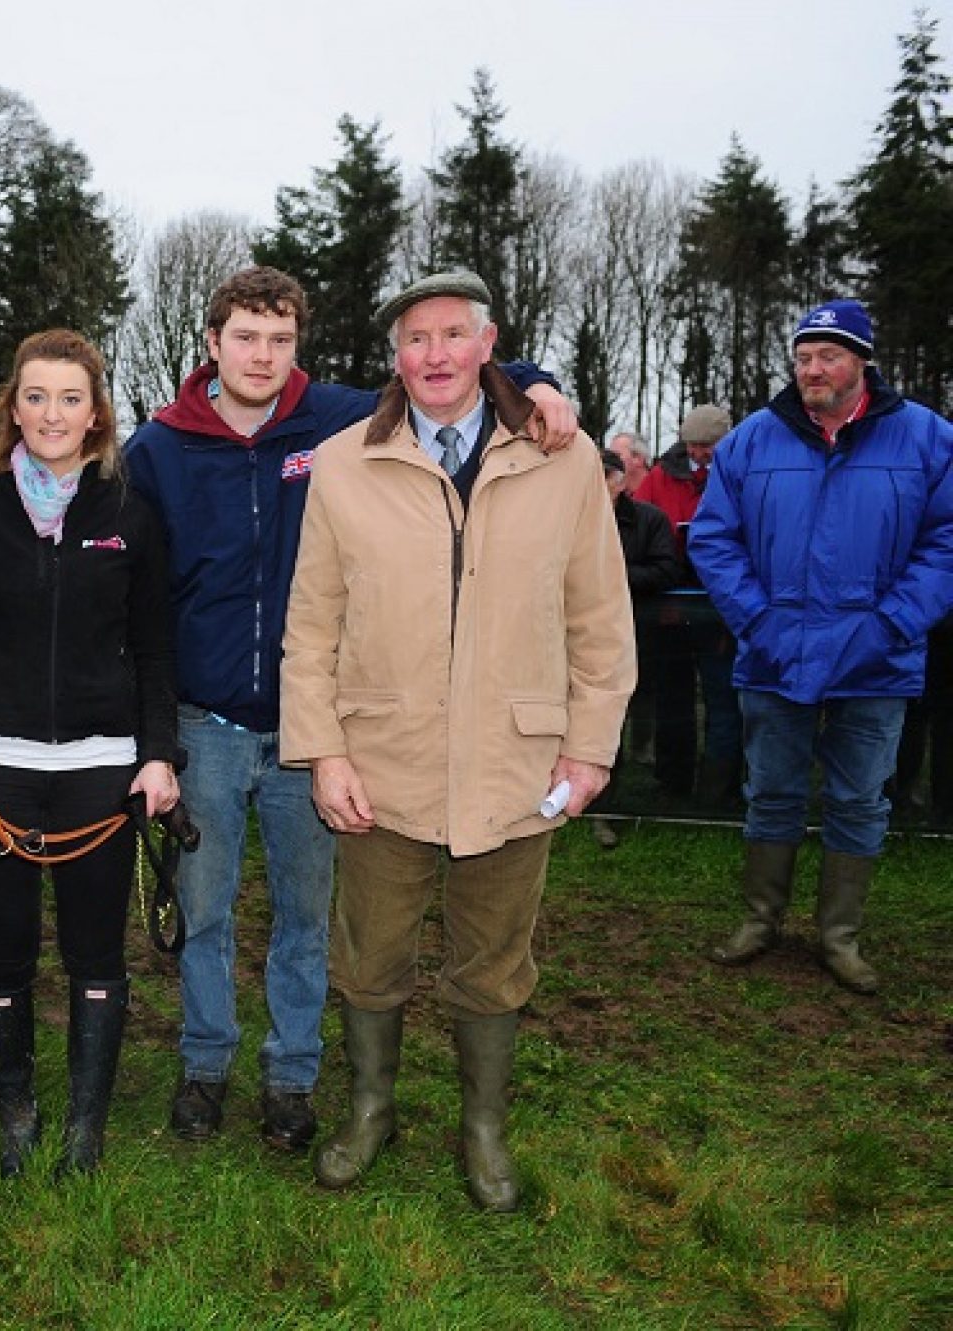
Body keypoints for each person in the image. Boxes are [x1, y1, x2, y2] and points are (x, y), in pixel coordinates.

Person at [123, 266, 576, 1153]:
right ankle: (205, 1064)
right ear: (211, 343)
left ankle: (293, 1075)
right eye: (245, 337)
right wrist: (156, 733)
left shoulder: (337, 421)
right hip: (205, 723)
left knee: (308, 915)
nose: (263, 355)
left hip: (316, 726)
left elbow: (446, 369)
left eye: (281, 339)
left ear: (301, 345)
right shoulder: (158, 449)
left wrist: (535, 380)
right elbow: (141, 598)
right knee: (206, 909)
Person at [280, 271, 634, 1212]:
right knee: (371, 954)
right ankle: (370, 1109)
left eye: (451, 335)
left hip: (519, 765)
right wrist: (325, 751)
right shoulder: (344, 462)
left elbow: (600, 620)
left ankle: (484, 1129)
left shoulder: (562, 459)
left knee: (493, 959)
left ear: (489, 345)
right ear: (393, 357)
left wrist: (590, 748)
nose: (434, 355)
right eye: (414, 340)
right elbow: (310, 626)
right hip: (380, 763)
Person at [0, 328, 179, 1180]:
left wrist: (159, 755)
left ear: (95, 412)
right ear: (12, 410)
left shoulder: (130, 515)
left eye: (70, 397)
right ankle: (17, 1111)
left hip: (102, 765)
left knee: (96, 952)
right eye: (36, 397)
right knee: (7, 948)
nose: (52, 413)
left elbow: (155, 647)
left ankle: (84, 1130)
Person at [691, 299, 953, 994]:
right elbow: (713, 539)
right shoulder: (751, 441)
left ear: (863, 361)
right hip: (775, 656)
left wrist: (893, 623)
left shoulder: (927, 438)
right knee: (771, 790)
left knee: (861, 797)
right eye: (803, 355)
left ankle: (839, 936)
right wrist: (759, 621)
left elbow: (947, 542)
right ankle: (760, 920)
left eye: (828, 355)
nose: (812, 368)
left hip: (878, 660)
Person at [636, 404, 742, 800]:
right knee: (673, 700)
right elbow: (642, 520)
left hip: (721, 610)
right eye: (693, 445)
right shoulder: (661, 477)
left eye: (707, 446)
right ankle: (673, 783)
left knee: (723, 698)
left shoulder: (739, 474)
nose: (698, 454)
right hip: (670, 609)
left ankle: (720, 786)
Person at [593, 447, 680, 847]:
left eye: (602, 477)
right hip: (573, 641)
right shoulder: (568, 520)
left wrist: (609, 575)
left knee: (624, 723)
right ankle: (578, 806)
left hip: (639, 638)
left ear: (620, 481)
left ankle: (613, 810)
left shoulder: (650, 520)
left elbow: (666, 570)